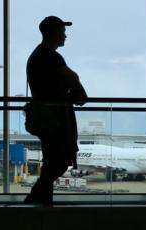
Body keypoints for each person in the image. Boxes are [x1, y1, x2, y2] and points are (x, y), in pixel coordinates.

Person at [24, 16, 88, 206]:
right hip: (55, 118)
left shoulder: (37, 55)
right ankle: (33, 201)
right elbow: (71, 77)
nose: (65, 35)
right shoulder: (50, 56)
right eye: (62, 31)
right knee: (58, 163)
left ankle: (42, 203)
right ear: (52, 33)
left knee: (52, 163)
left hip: (46, 116)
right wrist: (79, 92)